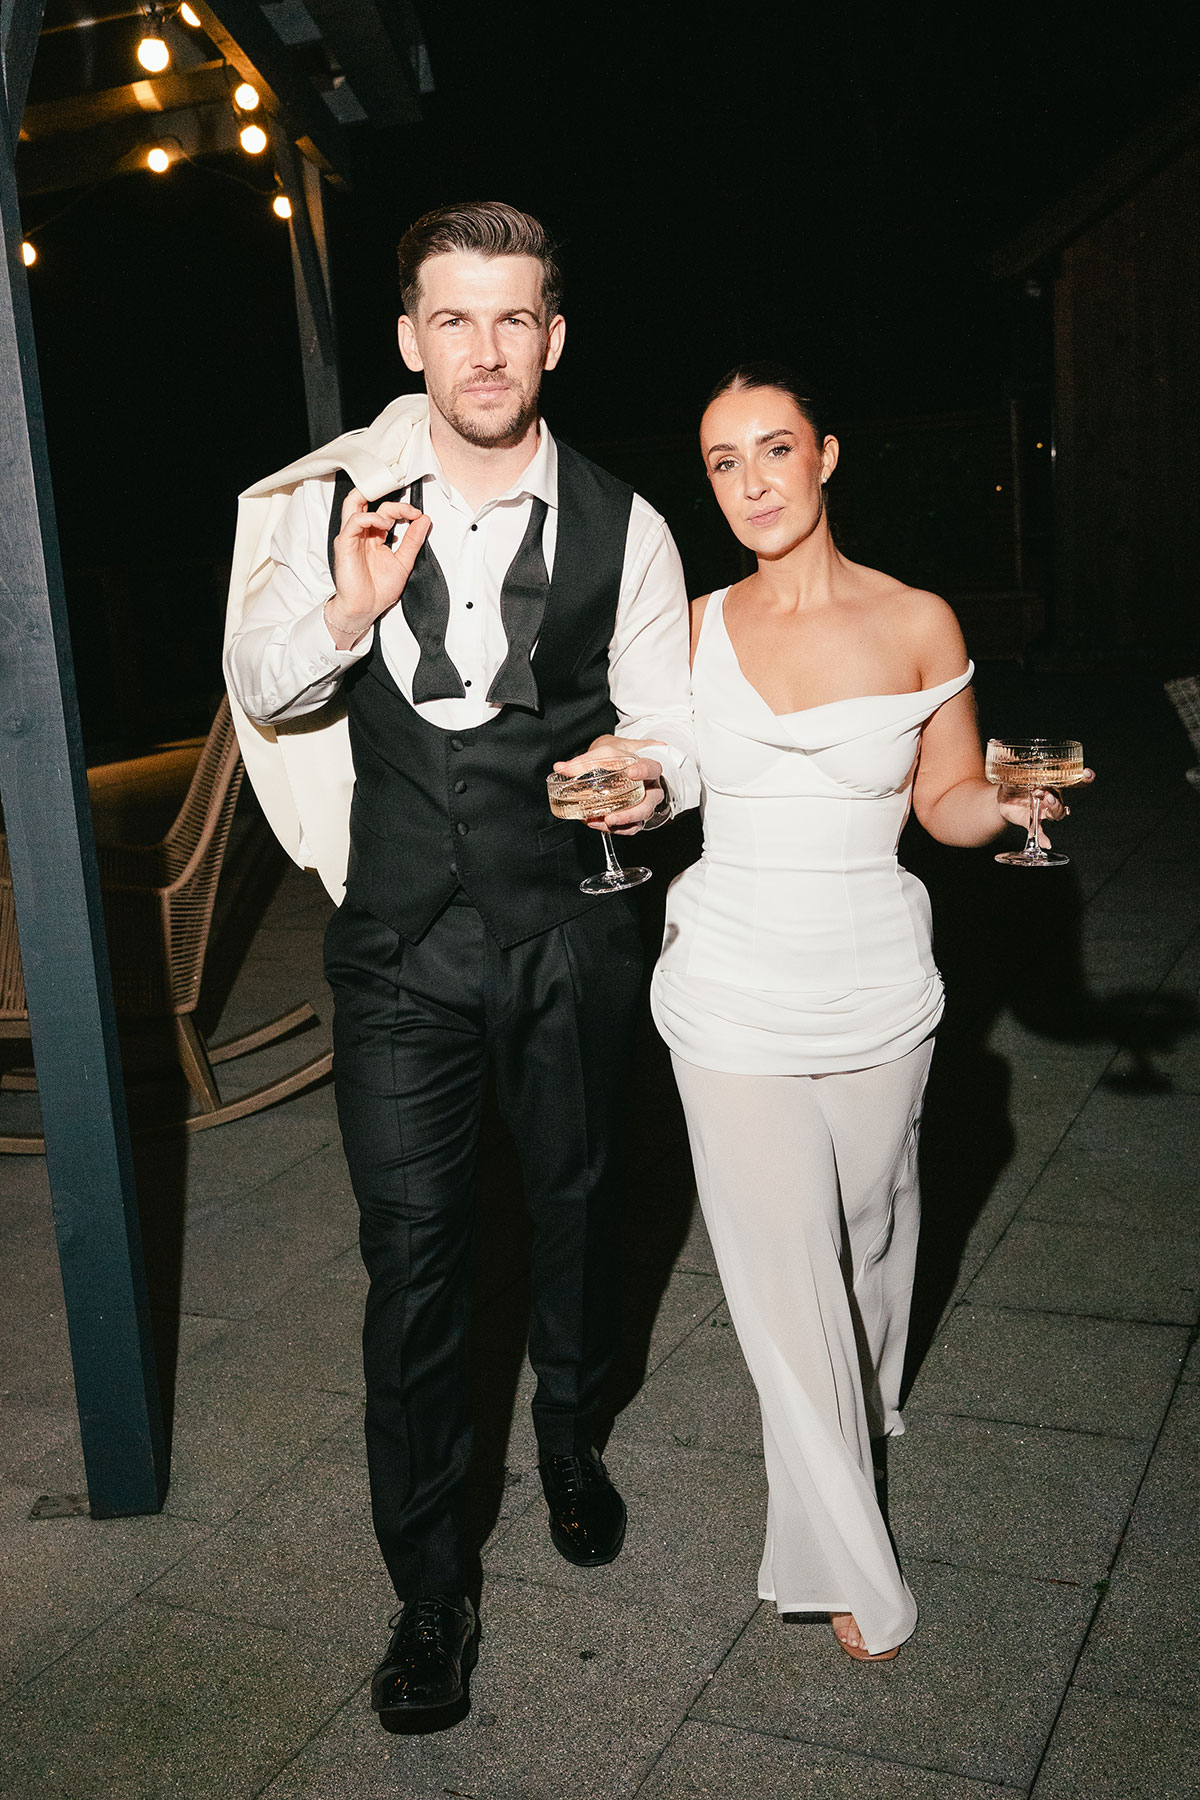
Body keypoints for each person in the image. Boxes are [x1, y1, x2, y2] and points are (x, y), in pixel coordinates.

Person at [223, 201, 697, 1725]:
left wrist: (646, 777)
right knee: (414, 1258)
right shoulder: (334, 501)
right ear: (410, 339)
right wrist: (347, 607)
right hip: (397, 946)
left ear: (552, 337)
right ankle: (430, 1587)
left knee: (579, 1203)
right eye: (453, 319)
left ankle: (569, 1430)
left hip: (569, 931)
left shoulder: (628, 523)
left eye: (511, 320)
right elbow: (256, 679)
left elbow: (673, 730)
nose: (483, 350)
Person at [625, 361, 1083, 1661]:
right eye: (723, 462)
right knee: (783, 1273)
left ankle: (869, 1396)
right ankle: (848, 1564)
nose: (752, 482)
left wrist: (1010, 805)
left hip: (877, 980)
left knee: (869, 1228)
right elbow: (660, 764)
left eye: (774, 449)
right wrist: (623, 780)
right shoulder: (690, 627)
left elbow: (945, 799)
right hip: (726, 983)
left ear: (825, 456)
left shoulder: (918, 621)